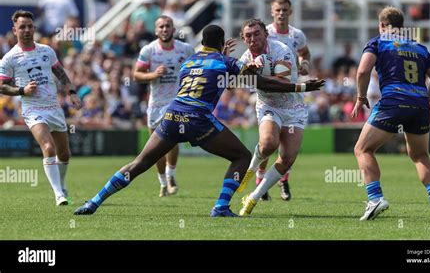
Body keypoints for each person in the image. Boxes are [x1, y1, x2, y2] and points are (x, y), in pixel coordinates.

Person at [73, 25, 324, 217]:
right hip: (198, 119)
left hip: (171, 116)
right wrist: (300, 87)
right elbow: (263, 82)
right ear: (221, 43)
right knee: (241, 157)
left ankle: (94, 201)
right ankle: (221, 207)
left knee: (140, 163)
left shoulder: (189, 62)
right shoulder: (226, 61)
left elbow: (205, 82)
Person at [351, 6, 430, 221]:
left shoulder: (377, 42)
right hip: (420, 106)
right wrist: (425, 98)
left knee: (363, 149)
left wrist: (360, 97)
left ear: (382, 25)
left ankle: (375, 199)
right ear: (402, 26)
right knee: (420, 155)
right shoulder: (419, 47)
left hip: (393, 102)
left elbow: (363, 70)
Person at [0, 10, 82, 205]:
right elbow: (1, 86)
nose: (26, 30)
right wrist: (22, 90)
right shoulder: (9, 58)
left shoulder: (47, 51)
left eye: (29, 26)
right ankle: (58, 195)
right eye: (22, 27)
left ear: (34, 28)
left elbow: (61, 74)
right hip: (32, 109)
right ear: (15, 30)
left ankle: (61, 184)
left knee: (65, 154)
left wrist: (72, 93)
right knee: (48, 146)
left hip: (53, 107)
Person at [238, 18, 310, 216]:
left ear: (266, 34)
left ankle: (252, 197)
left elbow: (282, 80)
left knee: (287, 158)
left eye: (257, 34)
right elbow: (230, 84)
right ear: (244, 39)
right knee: (268, 144)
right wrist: (234, 67)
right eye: (248, 35)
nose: (253, 38)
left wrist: (253, 76)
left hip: (294, 107)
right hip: (269, 106)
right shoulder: (244, 59)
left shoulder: (281, 50)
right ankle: (251, 170)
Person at [250, 0, 311, 201]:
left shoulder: (296, 35)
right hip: (269, 93)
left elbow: (304, 52)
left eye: (285, 9)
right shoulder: (263, 33)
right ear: (272, 12)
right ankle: (260, 179)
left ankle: (282, 181)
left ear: (290, 12)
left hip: (291, 95)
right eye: (278, 10)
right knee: (269, 141)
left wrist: (305, 64)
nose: (281, 13)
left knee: (288, 147)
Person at [133, 16, 194, 197]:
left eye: (168, 26)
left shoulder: (186, 49)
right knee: (155, 147)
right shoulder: (149, 50)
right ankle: (162, 183)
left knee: (172, 140)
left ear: (173, 29)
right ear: (156, 30)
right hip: (156, 103)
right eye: (161, 27)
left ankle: (171, 175)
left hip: (177, 102)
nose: (165, 29)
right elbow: (136, 75)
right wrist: (153, 75)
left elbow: (197, 68)